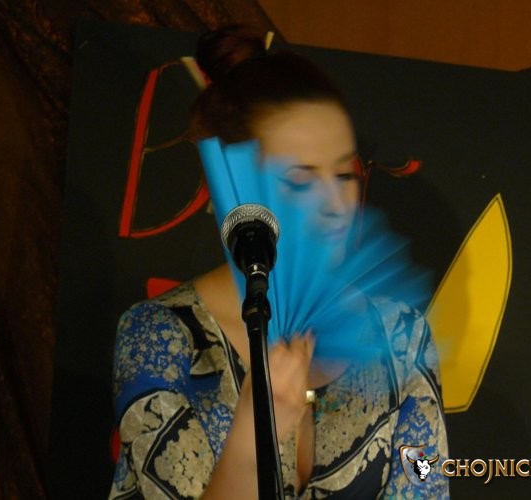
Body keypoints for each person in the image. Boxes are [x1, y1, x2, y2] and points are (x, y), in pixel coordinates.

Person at [109, 26, 449, 499]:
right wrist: (247, 445)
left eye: (344, 174)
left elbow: (425, 485)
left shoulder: (401, 340)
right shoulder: (162, 339)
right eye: (301, 179)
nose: (336, 203)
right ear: (236, 187)